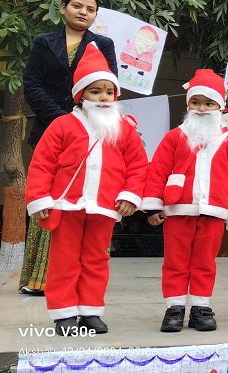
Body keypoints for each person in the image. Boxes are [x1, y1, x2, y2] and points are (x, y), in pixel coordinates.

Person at [25, 44, 145, 335]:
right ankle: (65, 314)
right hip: (67, 205)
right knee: (64, 260)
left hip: (105, 206)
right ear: (81, 95)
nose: (104, 97)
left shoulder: (124, 129)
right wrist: (39, 198)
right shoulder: (62, 125)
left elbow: (138, 165)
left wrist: (130, 194)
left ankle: (90, 311)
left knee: (97, 259)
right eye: (95, 91)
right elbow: (42, 163)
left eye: (109, 92)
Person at [21, 0, 118, 296]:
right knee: (48, 198)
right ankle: (40, 279)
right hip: (51, 130)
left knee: (84, 200)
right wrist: (63, 120)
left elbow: (108, 86)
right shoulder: (43, 42)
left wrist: (82, 121)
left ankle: (82, 279)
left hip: (92, 133)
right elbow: (32, 84)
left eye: (90, 9)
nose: (83, 12)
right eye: (77, 5)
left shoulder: (103, 45)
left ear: (95, 15)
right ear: (63, 8)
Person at [143, 69, 228, 332]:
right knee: (175, 260)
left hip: (214, 211)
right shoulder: (173, 137)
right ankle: (174, 307)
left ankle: (200, 307)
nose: (202, 109)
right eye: (196, 102)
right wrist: (152, 205)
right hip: (177, 210)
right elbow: (157, 170)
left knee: (205, 262)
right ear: (188, 104)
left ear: (220, 107)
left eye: (208, 103)